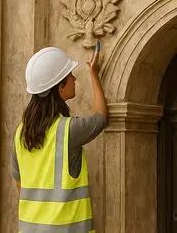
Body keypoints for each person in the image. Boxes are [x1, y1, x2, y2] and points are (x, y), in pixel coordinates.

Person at [12, 45, 108, 233]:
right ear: (59, 87)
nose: (74, 79)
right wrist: (94, 74)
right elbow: (101, 118)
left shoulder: (20, 133)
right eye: (70, 76)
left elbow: (19, 184)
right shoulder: (69, 130)